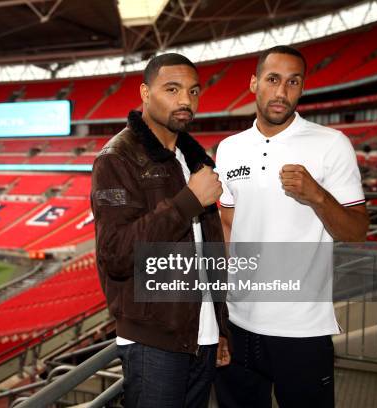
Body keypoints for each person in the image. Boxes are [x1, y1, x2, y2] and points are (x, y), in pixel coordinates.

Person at [214, 45, 369, 408]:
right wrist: (219, 317)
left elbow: (357, 231)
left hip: (302, 329)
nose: (282, 92)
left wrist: (317, 196)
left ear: (302, 87)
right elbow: (226, 224)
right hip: (238, 324)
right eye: (272, 80)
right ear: (254, 83)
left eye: (293, 82)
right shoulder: (229, 148)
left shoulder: (331, 145)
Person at [91, 53, 230, 408]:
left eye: (194, 91)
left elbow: (207, 251)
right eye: (172, 89)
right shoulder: (116, 158)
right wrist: (188, 201)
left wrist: (218, 325)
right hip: (152, 339)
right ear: (144, 92)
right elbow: (117, 254)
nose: (186, 100)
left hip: (202, 334)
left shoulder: (192, 157)